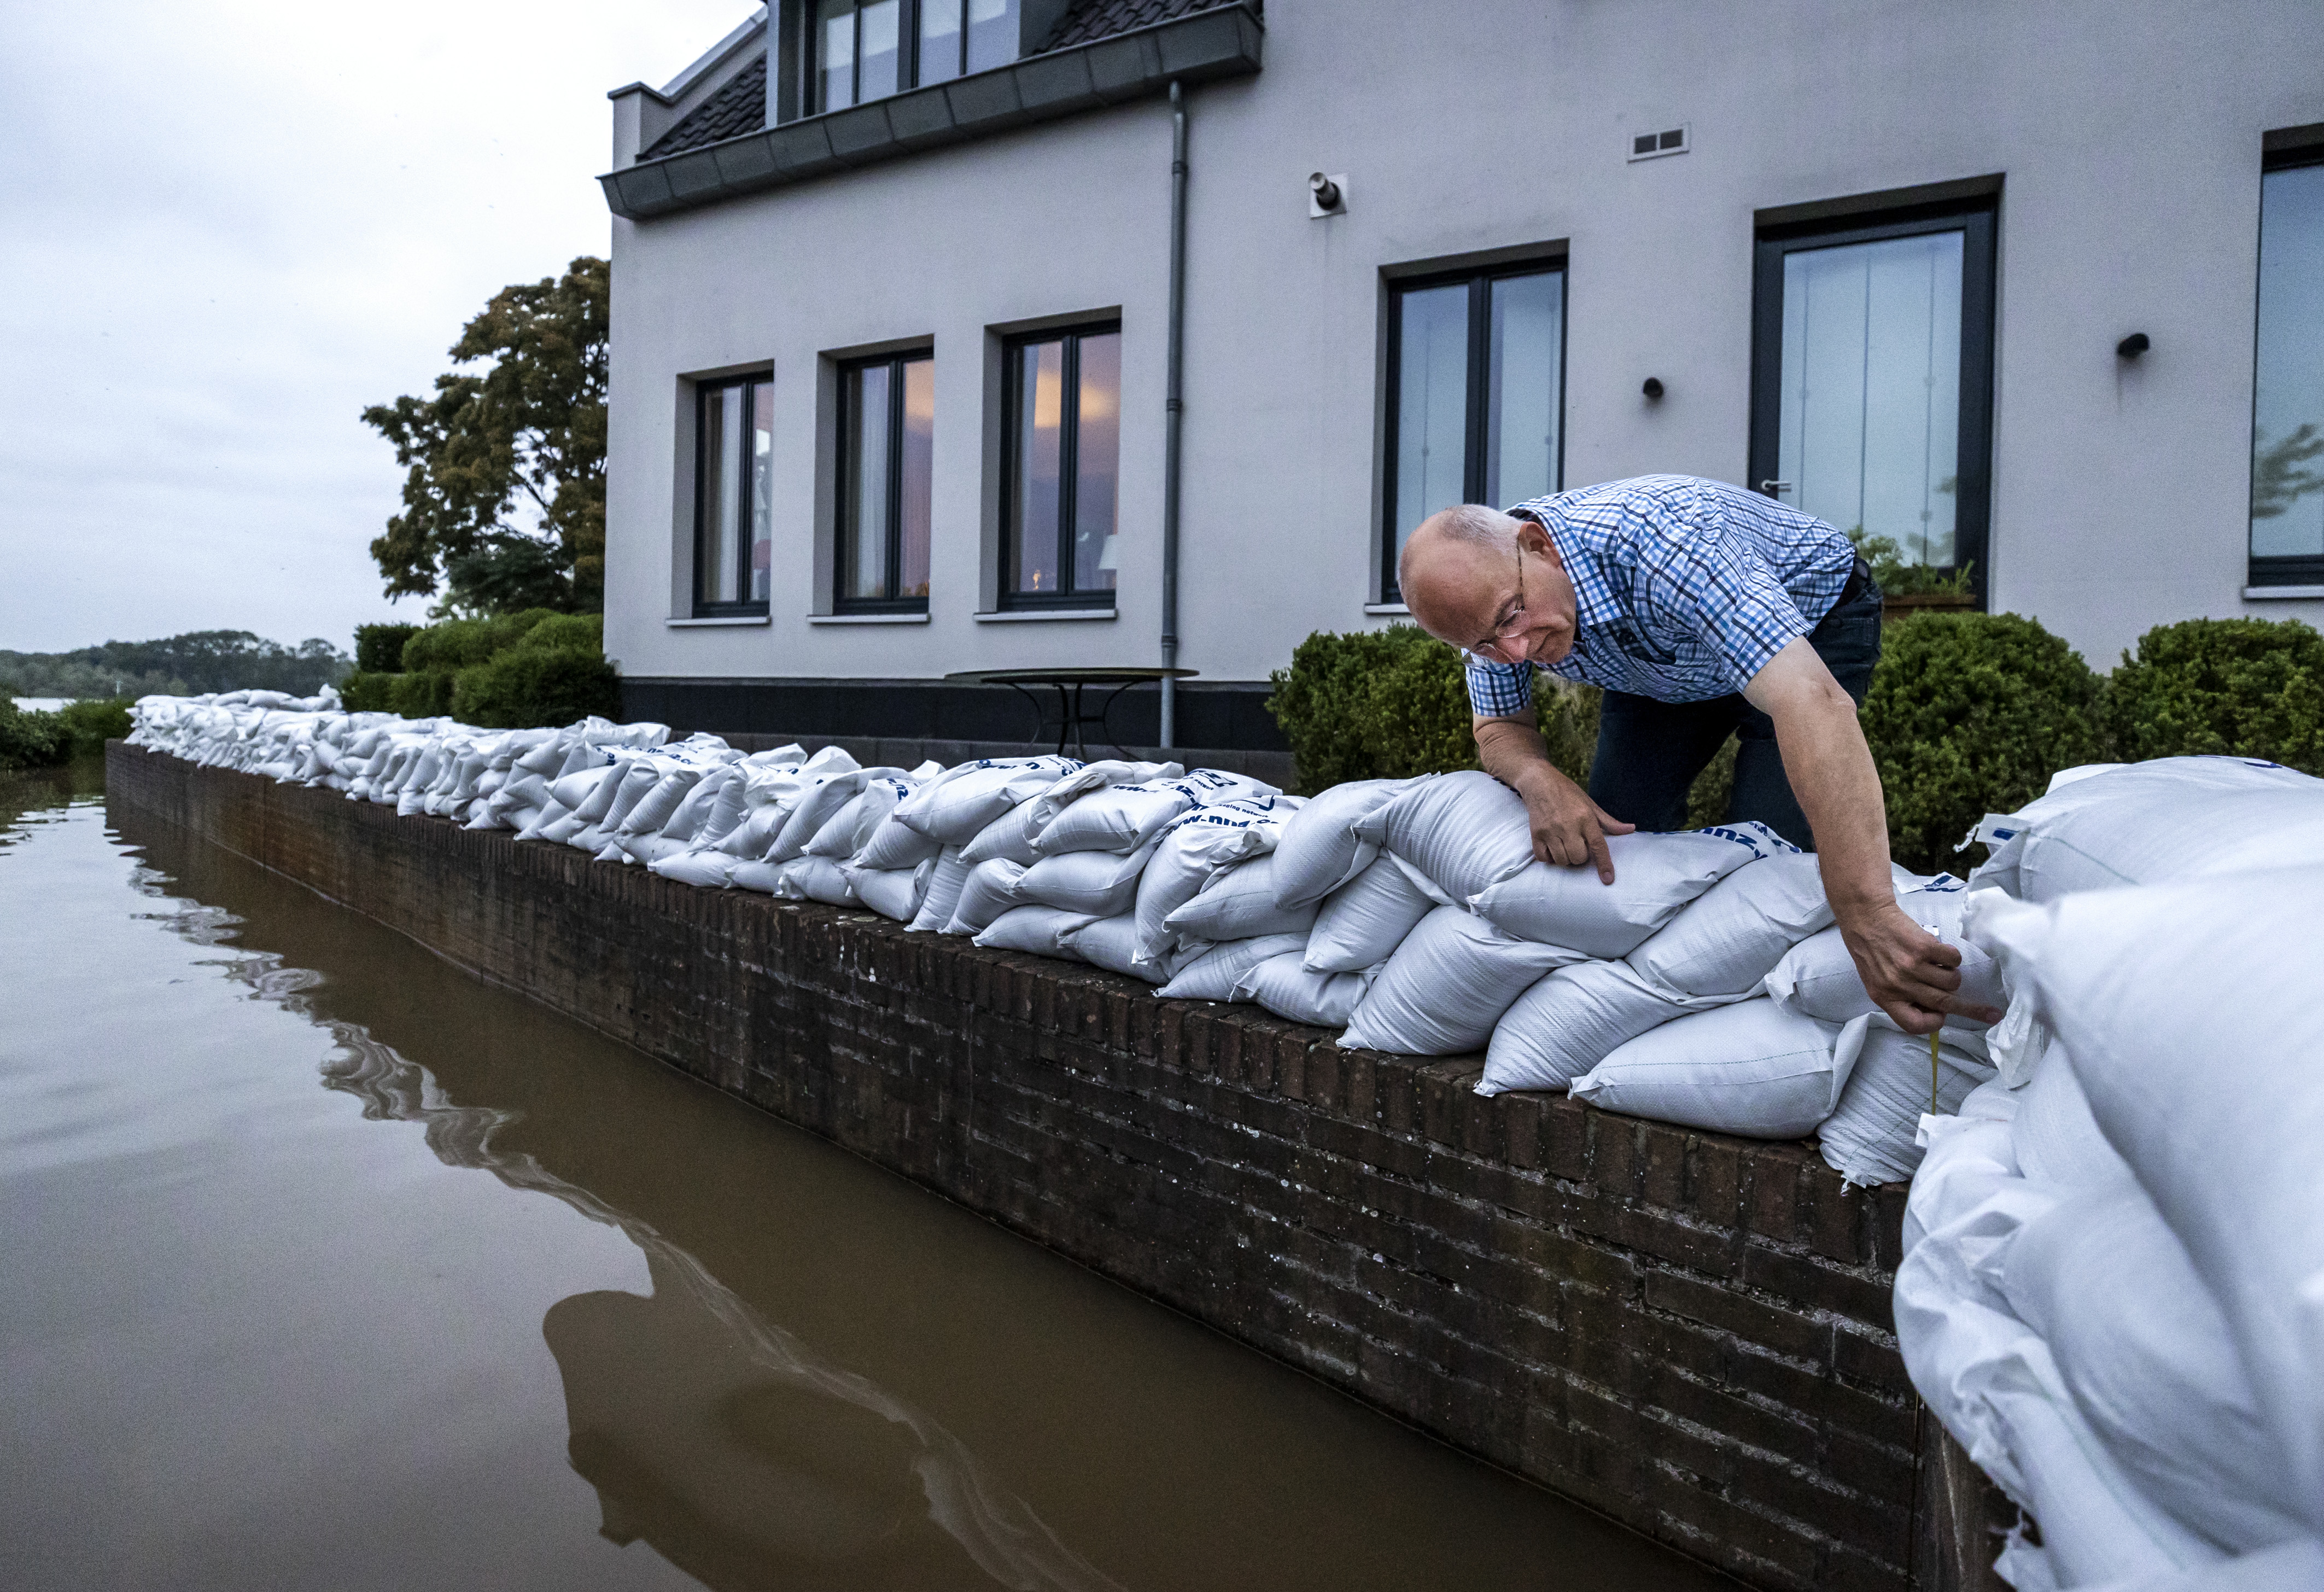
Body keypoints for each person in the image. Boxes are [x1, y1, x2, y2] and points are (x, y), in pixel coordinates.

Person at [1397, 474, 1999, 1035]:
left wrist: (1866, 912)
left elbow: (1811, 703)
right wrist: (1537, 776)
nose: (1516, 652)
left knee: (1774, 857)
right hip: (1660, 665)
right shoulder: (1489, 600)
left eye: (1514, 616)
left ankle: (1775, 1022)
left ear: (1539, 546)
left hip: (1813, 622)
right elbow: (1500, 725)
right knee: (1614, 842)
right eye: (1484, 646)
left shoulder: (1665, 542)